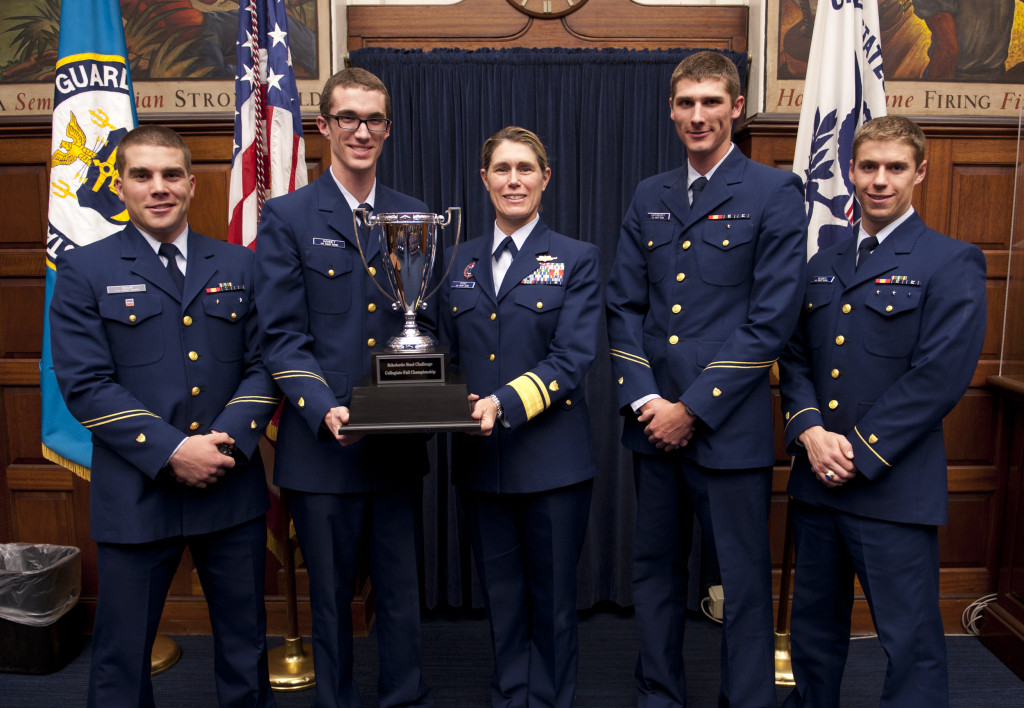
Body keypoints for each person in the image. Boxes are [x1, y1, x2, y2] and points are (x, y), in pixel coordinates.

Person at [49, 125, 278, 708]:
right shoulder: (85, 270)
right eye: (143, 175)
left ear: (193, 184)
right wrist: (175, 451)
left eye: (171, 174)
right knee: (121, 662)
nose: (159, 187)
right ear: (120, 185)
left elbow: (264, 366)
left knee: (245, 653)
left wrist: (220, 447)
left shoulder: (240, 265)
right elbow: (85, 384)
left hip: (229, 488)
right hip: (137, 493)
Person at [605, 51, 807, 707]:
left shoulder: (774, 192)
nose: (698, 115)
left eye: (711, 101)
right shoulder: (649, 194)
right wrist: (646, 401)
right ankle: (658, 693)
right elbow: (623, 307)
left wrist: (689, 408)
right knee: (655, 574)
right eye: (687, 102)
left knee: (743, 581)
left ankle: (745, 700)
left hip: (727, 429)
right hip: (652, 425)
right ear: (671, 109)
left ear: (736, 107)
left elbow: (771, 320)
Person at [779, 115, 987, 708]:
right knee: (814, 638)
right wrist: (811, 432)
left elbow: (939, 377)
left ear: (919, 172)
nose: (879, 180)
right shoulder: (823, 262)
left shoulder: (952, 261)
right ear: (850, 170)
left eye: (895, 167)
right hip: (818, 482)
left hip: (892, 488)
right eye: (868, 166)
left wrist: (858, 452)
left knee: (911, 642)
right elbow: (794, 359)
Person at [254, 67, 434, 708]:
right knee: (329, 598)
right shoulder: (287, 217)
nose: (362, 131)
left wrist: (425, 393)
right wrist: (325, 408)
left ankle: (404, 697)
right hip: (321, 446)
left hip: (395, 442)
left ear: (388, 128)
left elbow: (427, 322)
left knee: (399, 593)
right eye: (349, 118)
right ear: (324, 125)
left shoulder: (416, 216)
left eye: (375, 119)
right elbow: (279, 334)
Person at [442, 126, 601, 708]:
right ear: (484, 180)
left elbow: (573, 356)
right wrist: (441, 395)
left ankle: (552, 700)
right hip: (482, 462)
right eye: (502, 169)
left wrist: (500, 403)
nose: (514, 180)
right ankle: (511, 697)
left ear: (545, 179)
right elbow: (445, 351)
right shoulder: (455, 260)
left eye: (525, 169)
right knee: (501, 598)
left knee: (553, 601)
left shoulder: (577, 259)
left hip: (553, 464)